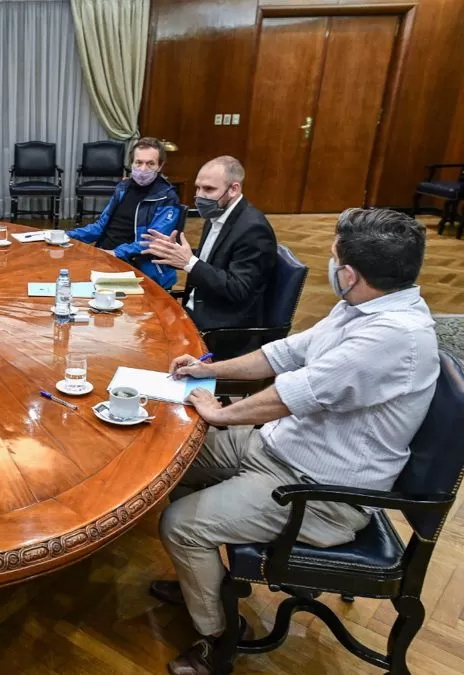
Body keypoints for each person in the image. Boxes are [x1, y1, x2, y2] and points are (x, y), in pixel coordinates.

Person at [153, 208, 438, 675]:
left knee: (180, 524)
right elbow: (284, 353)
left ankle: (220, 634)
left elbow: (290, 396)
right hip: (281, 449)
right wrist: (208, 369)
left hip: (319, 490)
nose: (330, 264)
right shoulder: (364, 305)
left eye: (333, 257)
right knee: (173, 459)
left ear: (348, 273)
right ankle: (201, 581)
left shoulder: (392, 337)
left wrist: (220, 412)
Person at [143, 156, 277, 332]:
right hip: (194, 307)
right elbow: (215, 258)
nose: (199, 196)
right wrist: (173, 252)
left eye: (208, 189)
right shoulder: (216, 213)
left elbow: (238, 289)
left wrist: (189, 262)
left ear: (233, 189)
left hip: (222, 326)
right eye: (198, 188)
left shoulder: (254, 229)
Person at [66, 137, 182, 288]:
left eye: (150, 163)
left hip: (136, 265)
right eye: (138, 162)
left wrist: (115, 253)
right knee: (62, 277)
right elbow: (100, 226)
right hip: (105, 256)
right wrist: (67, 236)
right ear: (131, 164)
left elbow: (151, 242)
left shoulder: (167, 198)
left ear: (160, 166)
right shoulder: (123, 187)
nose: (143, 168)